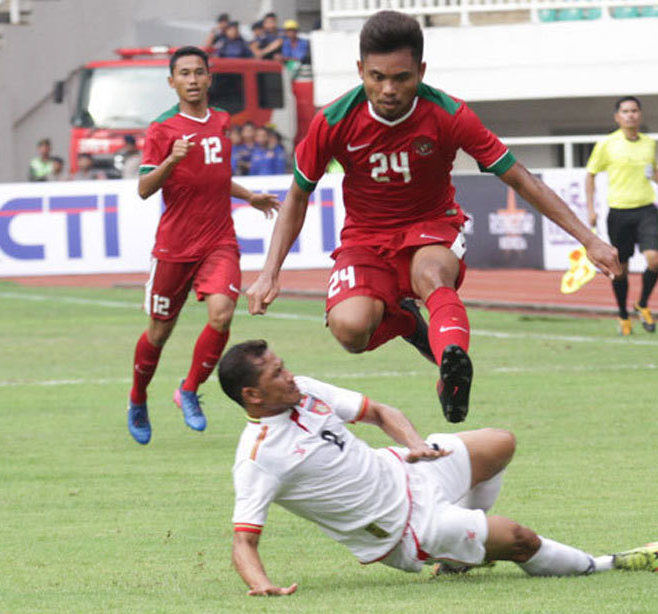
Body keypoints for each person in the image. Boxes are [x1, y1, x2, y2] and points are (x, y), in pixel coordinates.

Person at [246, 11, 620, 424]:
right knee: (350, 331)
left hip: (432, 226)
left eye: (402, 78)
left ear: (421, 71)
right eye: (376, 77)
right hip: (365, 238)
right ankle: (408, 322)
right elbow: (298, 197)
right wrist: (270, 272)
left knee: (432, 277)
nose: (388, 89)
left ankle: (452, 372)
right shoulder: (333, 121)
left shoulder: (449, 115)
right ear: (360, 70)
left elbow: (522, 179)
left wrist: (589, 239)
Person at [218, 339, 658, 596]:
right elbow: (244, 540)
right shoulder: (259, 456)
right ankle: (605, 565)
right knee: (520, 539)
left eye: (284, 365)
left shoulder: (306, 390)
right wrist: (262, 586)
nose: (290, 376)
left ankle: (460, 558)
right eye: (276, 375)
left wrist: (416, 445)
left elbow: (379, 411)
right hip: (407, 529)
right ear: (252, 397)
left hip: (406, 469)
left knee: (501, 443)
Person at [126, 46, 281, 445]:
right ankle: (138, 398)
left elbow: (213, 177)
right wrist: (171, 161)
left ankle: (190, 389)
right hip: (174, 248)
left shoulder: (223, 122)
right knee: (159, 334)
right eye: (184, 73)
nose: (192, 80)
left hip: (218, 241)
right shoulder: (162, 129)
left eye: (199, 72)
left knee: (222, 314)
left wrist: (249, 196)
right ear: (172, 82)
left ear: (210, 78)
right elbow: (144, 188)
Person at [585, 96, 658, 337]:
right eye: (625, 111)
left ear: (640, 115)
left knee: (654, 260)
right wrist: (591, 209)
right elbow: (590, 174)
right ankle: (623, 315)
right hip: (619, 212)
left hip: (646, 209)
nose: (630, 115)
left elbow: (651, 168)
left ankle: (642, 304)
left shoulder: (648, 144)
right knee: (620, 269)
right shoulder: (607, 144)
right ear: (617, 117)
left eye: (634, 111)